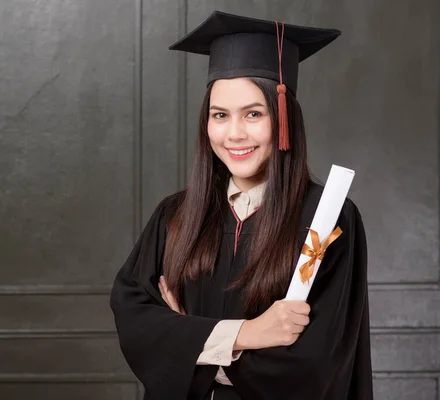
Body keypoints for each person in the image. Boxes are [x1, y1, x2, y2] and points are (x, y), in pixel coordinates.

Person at [110, 10, 373, 400]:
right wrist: (248, 334)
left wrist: (188, 341)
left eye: (253, 114)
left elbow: (317, 363)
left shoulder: (328, 219)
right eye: (220, 115)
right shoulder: (175, 217)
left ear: (283, 119)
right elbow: (137, 321)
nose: (234, 133)